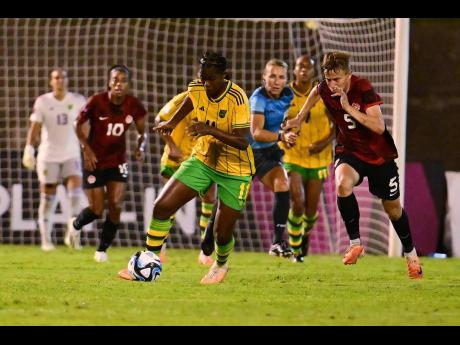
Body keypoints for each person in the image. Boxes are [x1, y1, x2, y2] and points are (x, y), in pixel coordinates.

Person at [283, 51, 423, 279]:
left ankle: (412, 256)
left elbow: (378, 127)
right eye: (329, 79)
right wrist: (299, 118)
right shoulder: (324, 87)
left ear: (349, 75)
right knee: (342, 184)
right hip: (350, 152)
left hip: (379, 157)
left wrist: (348, 108)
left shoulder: (363, 88)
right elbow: (315, 92)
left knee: (393, 210)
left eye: (337, 79)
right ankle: (355, 243)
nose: (332, 84)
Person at [119, 51, 255, 284]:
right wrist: (172, 122)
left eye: (210, 79)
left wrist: (209, 130)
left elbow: (244, 141)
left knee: (220, 234)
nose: (205, 83)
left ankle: (220, 265)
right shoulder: (198, 87)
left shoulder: (237, 98)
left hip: (236, 169)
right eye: (202, 77)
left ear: (225, 76)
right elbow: (192, 98)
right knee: (162, 206)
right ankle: (149, 259)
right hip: (202, 160)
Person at [67, 64, 147, 262]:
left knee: (116, 204)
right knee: (96, 209)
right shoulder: (96, 101)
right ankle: (75, 225)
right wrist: (86, 148)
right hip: (94, 160)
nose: (119, 84)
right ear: (109, 83)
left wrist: (140, 147)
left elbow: (142, 133)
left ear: (129, 84)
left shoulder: (134, 105)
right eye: (115, 80)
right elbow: (77, 124)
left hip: (118, 161)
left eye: (123, 80)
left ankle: (102, 250)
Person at [22, 69, 86, 251]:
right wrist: (29, 148)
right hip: (48, 155)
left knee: (75, 195)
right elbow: (35, 127)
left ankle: (73, 235)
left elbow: (85, 126)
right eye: (56, 78)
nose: (59, 81)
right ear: (51, 82)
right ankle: (46, 240)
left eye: (63, 77)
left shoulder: (78, 100)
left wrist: (87, 147)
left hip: (71, 154)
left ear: (67, 80)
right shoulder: (43, 101)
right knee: (48, 199)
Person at [280, 55, 335, 263]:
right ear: (294, 70)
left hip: (319, 157)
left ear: (313, 72)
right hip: (292, 155)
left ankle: (304, 234)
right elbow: (276, 119)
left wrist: (323, 143)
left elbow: (336, 125)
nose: (303, 70)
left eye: (308, 67)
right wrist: (284, 136)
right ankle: (296, 251)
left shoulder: (322, 94)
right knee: (297, 201)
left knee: (311, 210)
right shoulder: (285, 94)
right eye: (300, 66)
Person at [156, 90, 216, 266]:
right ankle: (160, 248)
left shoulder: (220, 102)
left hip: (200, 157)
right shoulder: (184, 99)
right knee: (169, 203)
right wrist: (172, 146)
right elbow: (159, 120)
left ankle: (205, 252)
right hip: (175, 157)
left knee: (210, 197)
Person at [249, 59, 298, 258]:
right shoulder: (258, 97)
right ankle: (208, 238)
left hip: (269, 152)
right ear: (264, 78)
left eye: (281, 77)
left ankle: (277, 242)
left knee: (282, 183)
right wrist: (281, 136)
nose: (276, 81)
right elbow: (256, 132)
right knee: (230, 201)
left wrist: (289, 128)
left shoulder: (288, 95)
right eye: (272, 76)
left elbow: (282, 121)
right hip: (247, 153)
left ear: (286, 79)